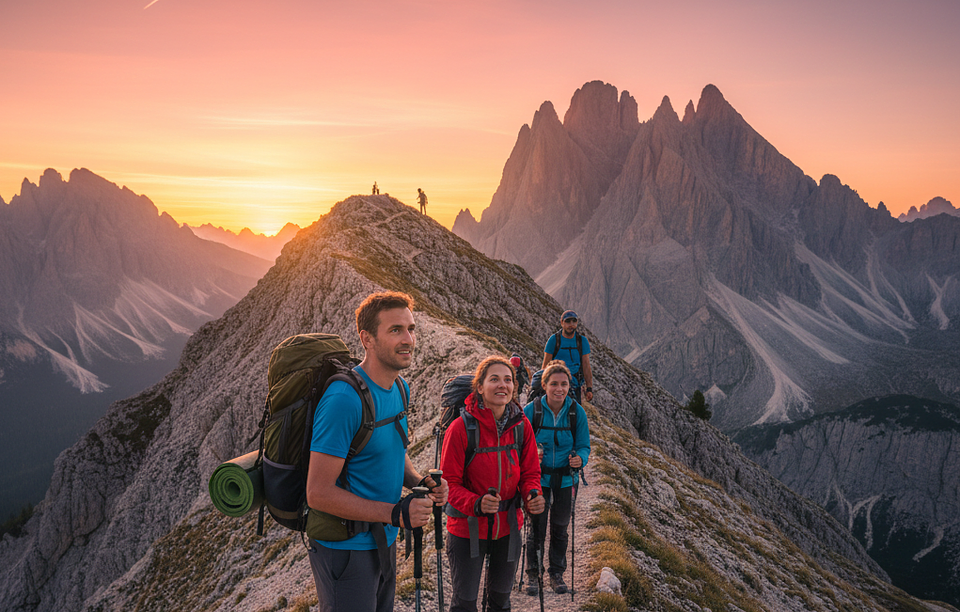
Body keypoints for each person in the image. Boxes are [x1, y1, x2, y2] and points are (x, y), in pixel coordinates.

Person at [306, 291, 449, 612]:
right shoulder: (344, 399)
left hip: (383, 539)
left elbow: (391, 451)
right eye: (395, 330)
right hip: (345, 547)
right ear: (367, 338)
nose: (408, 339)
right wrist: (395, 513)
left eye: (411, 329)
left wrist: (418, 481)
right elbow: (317, 493)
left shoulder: (400, 387)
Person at [441, 355, 545, 612]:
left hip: (508, 527)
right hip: (466, 530)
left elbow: (531, 471)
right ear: (480, 387)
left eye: (508, 380)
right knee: (464, 603)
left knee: (500, 601)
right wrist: (476, 503)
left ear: (514, 387)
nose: (502, 385)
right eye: (494, 379)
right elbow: (449, 484)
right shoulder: (460, 428)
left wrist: (533, 493)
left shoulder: (522, 426)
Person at [523, 360, 591, 596]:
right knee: (536, 527)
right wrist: (532, 455)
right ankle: (533, 574)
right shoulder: (532, 411)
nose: (559, 389)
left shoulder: (576, 412)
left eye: (564, 384)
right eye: (554, 384)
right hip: (537, 480)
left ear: (569, 385)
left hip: (565, 479)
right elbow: (518, 444)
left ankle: (556, 573)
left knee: (560, 528)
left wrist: (580, 460)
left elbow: (584, 445)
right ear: (545, 385)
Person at [541, 310, 593, 403]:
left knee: (574, 413)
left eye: (574, 321)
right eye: (568, 321)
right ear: (562, 323)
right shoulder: (554, 340)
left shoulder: (582, 341)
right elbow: (545, 365)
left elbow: (586, 366)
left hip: (575, 384)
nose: (571, 325)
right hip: (557, 383)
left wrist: (589, 388)